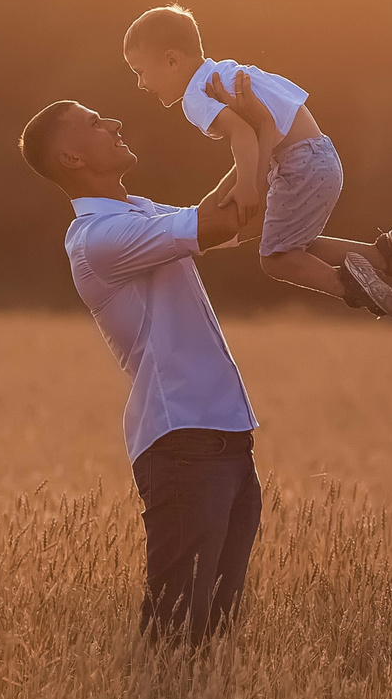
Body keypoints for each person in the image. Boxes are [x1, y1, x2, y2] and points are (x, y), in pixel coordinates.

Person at [19, 70, 280, 644]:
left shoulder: (136, 210)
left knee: (216, 632)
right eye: (93, 122)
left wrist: (263, 132)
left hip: (226, 436)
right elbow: (215, 223)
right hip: (185, 443)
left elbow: (233, 212)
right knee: (174, 629)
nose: (112, 121)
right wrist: (246, 132)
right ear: (70, 158)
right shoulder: (97, 237)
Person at [120, 4, 392, 319]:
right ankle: (385, 256)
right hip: (321, 155)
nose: (141, 84)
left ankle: (349, 286)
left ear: (172, 60)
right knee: (289, 244)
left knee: (275, 259)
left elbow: (243, 134)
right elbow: (260, 131)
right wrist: (233, 192)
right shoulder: (225, 72)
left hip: (298, 163)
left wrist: (247, 186)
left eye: (140, 71)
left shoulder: (195, 96)